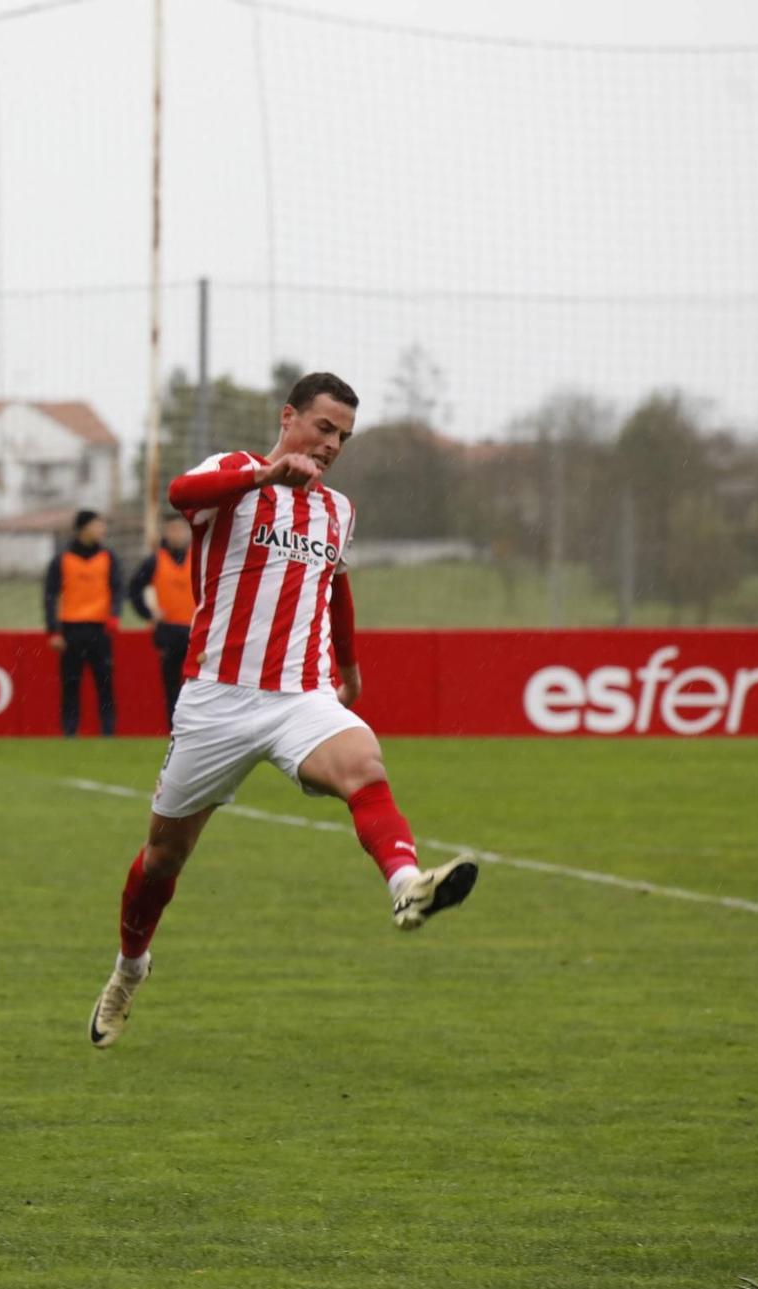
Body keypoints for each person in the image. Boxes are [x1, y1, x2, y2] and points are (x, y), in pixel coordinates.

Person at [87, 371, 479, 1050]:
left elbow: (334, 586)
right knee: (162, 858)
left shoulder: (337, 510)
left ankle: (407, 884)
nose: (331, 445)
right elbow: (181, 495)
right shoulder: (235, 473)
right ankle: (129, 968)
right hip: (217, 698)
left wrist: (349, 666)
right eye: (323, 428)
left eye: (343, 438)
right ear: (288, 415)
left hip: (301, 695)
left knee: (364, 762)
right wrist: (267, 474)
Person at [44, 509, 123, 737]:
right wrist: (54, 630)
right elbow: (50, 595)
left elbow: (117, 589)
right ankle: (70, 731)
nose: (102, 530)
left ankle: (108, 731)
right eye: (97, 525)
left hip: (100, 630)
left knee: (105, 683)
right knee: (70, 684)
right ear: (83, 528)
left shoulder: (108, 557)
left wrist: (114, 615)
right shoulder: (62, 559)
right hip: (71, 629)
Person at [125, 511, 196, 730]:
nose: (178, 534)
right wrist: (148, 613)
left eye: (182, 528)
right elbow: (134, 589)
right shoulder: (156, 560)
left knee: (198, 684)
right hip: (168, 630)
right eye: (173, 529)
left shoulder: (199, 556)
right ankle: (174, 728)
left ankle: (197, 728)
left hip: (197, 630)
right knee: (171, 684)